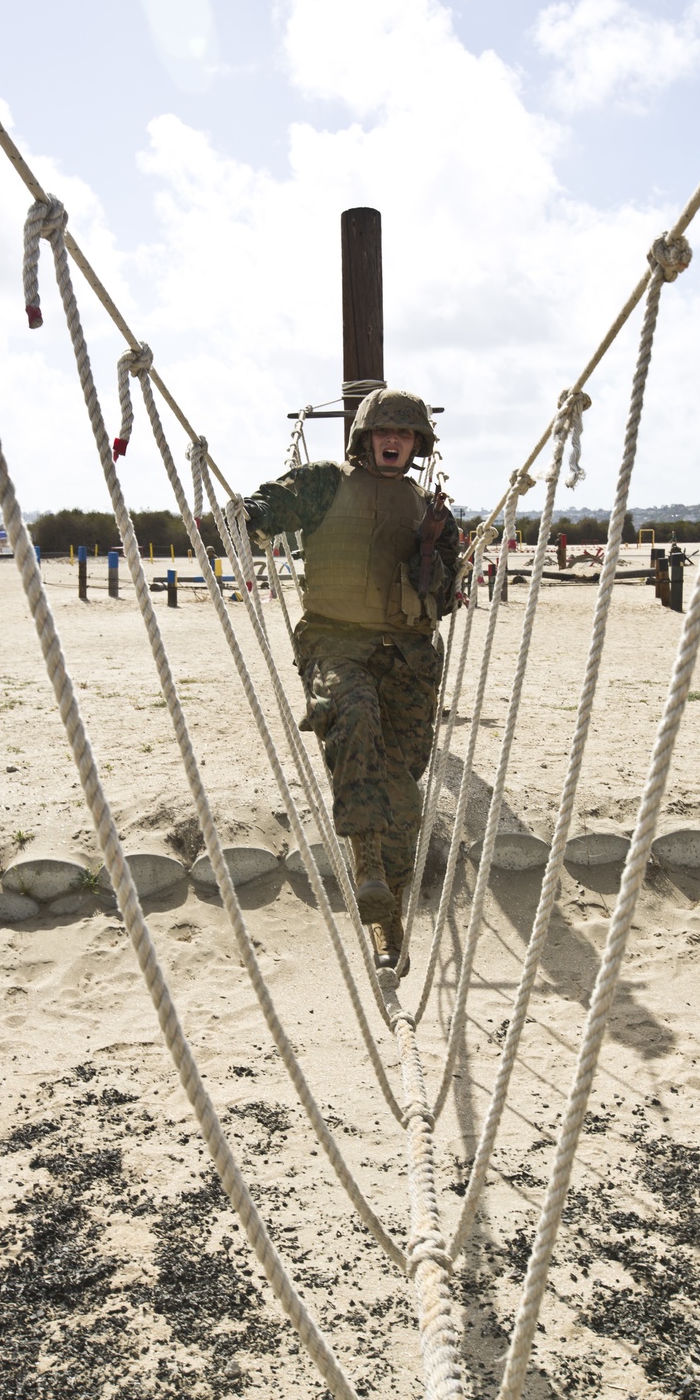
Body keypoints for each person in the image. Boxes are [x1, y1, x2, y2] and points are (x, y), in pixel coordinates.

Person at [242, 387, 460, 974]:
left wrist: (433, 552)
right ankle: (364, 867)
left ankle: (388, 922)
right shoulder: (323, 483)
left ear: (418, 444)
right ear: (364, 438)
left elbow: (442, 598)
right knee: (354, 713)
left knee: (405, 796)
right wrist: (244, 517)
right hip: (336, 644)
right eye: (383, 432)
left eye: (406, 434)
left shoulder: (428, 508)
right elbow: (266, 512)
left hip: (410, 661)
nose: (393, 441)